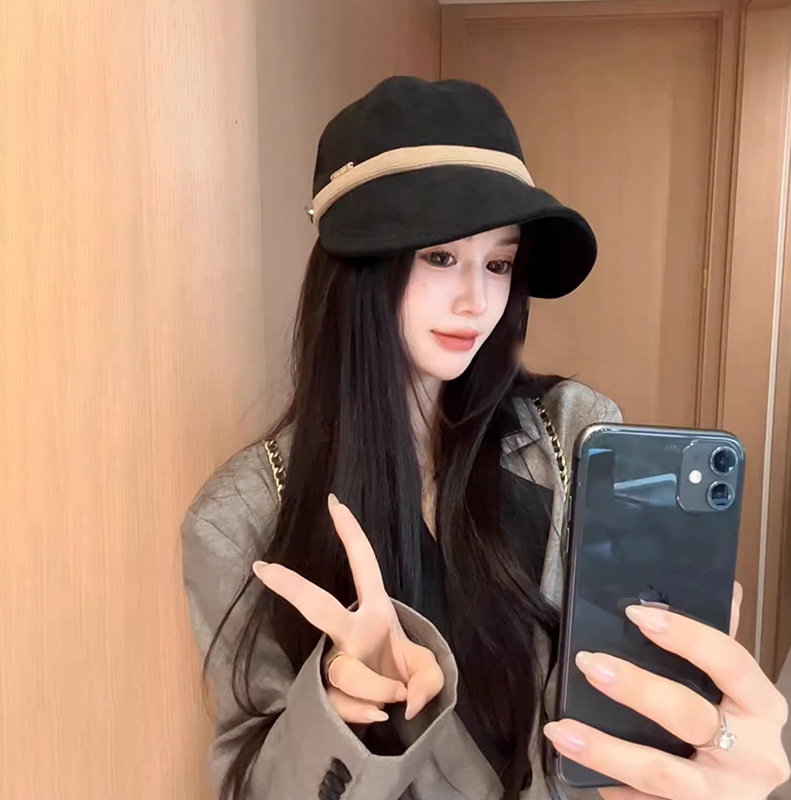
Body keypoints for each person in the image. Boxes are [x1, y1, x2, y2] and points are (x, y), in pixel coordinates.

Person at [181, 77, 789, 800]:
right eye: (440, 258)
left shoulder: (572, 435)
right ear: (356, 271)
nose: (477, 301)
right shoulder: (242, 516)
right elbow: (251, 782)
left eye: (498, 263)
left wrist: (709, 746)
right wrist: (340, 720)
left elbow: (627, 720)